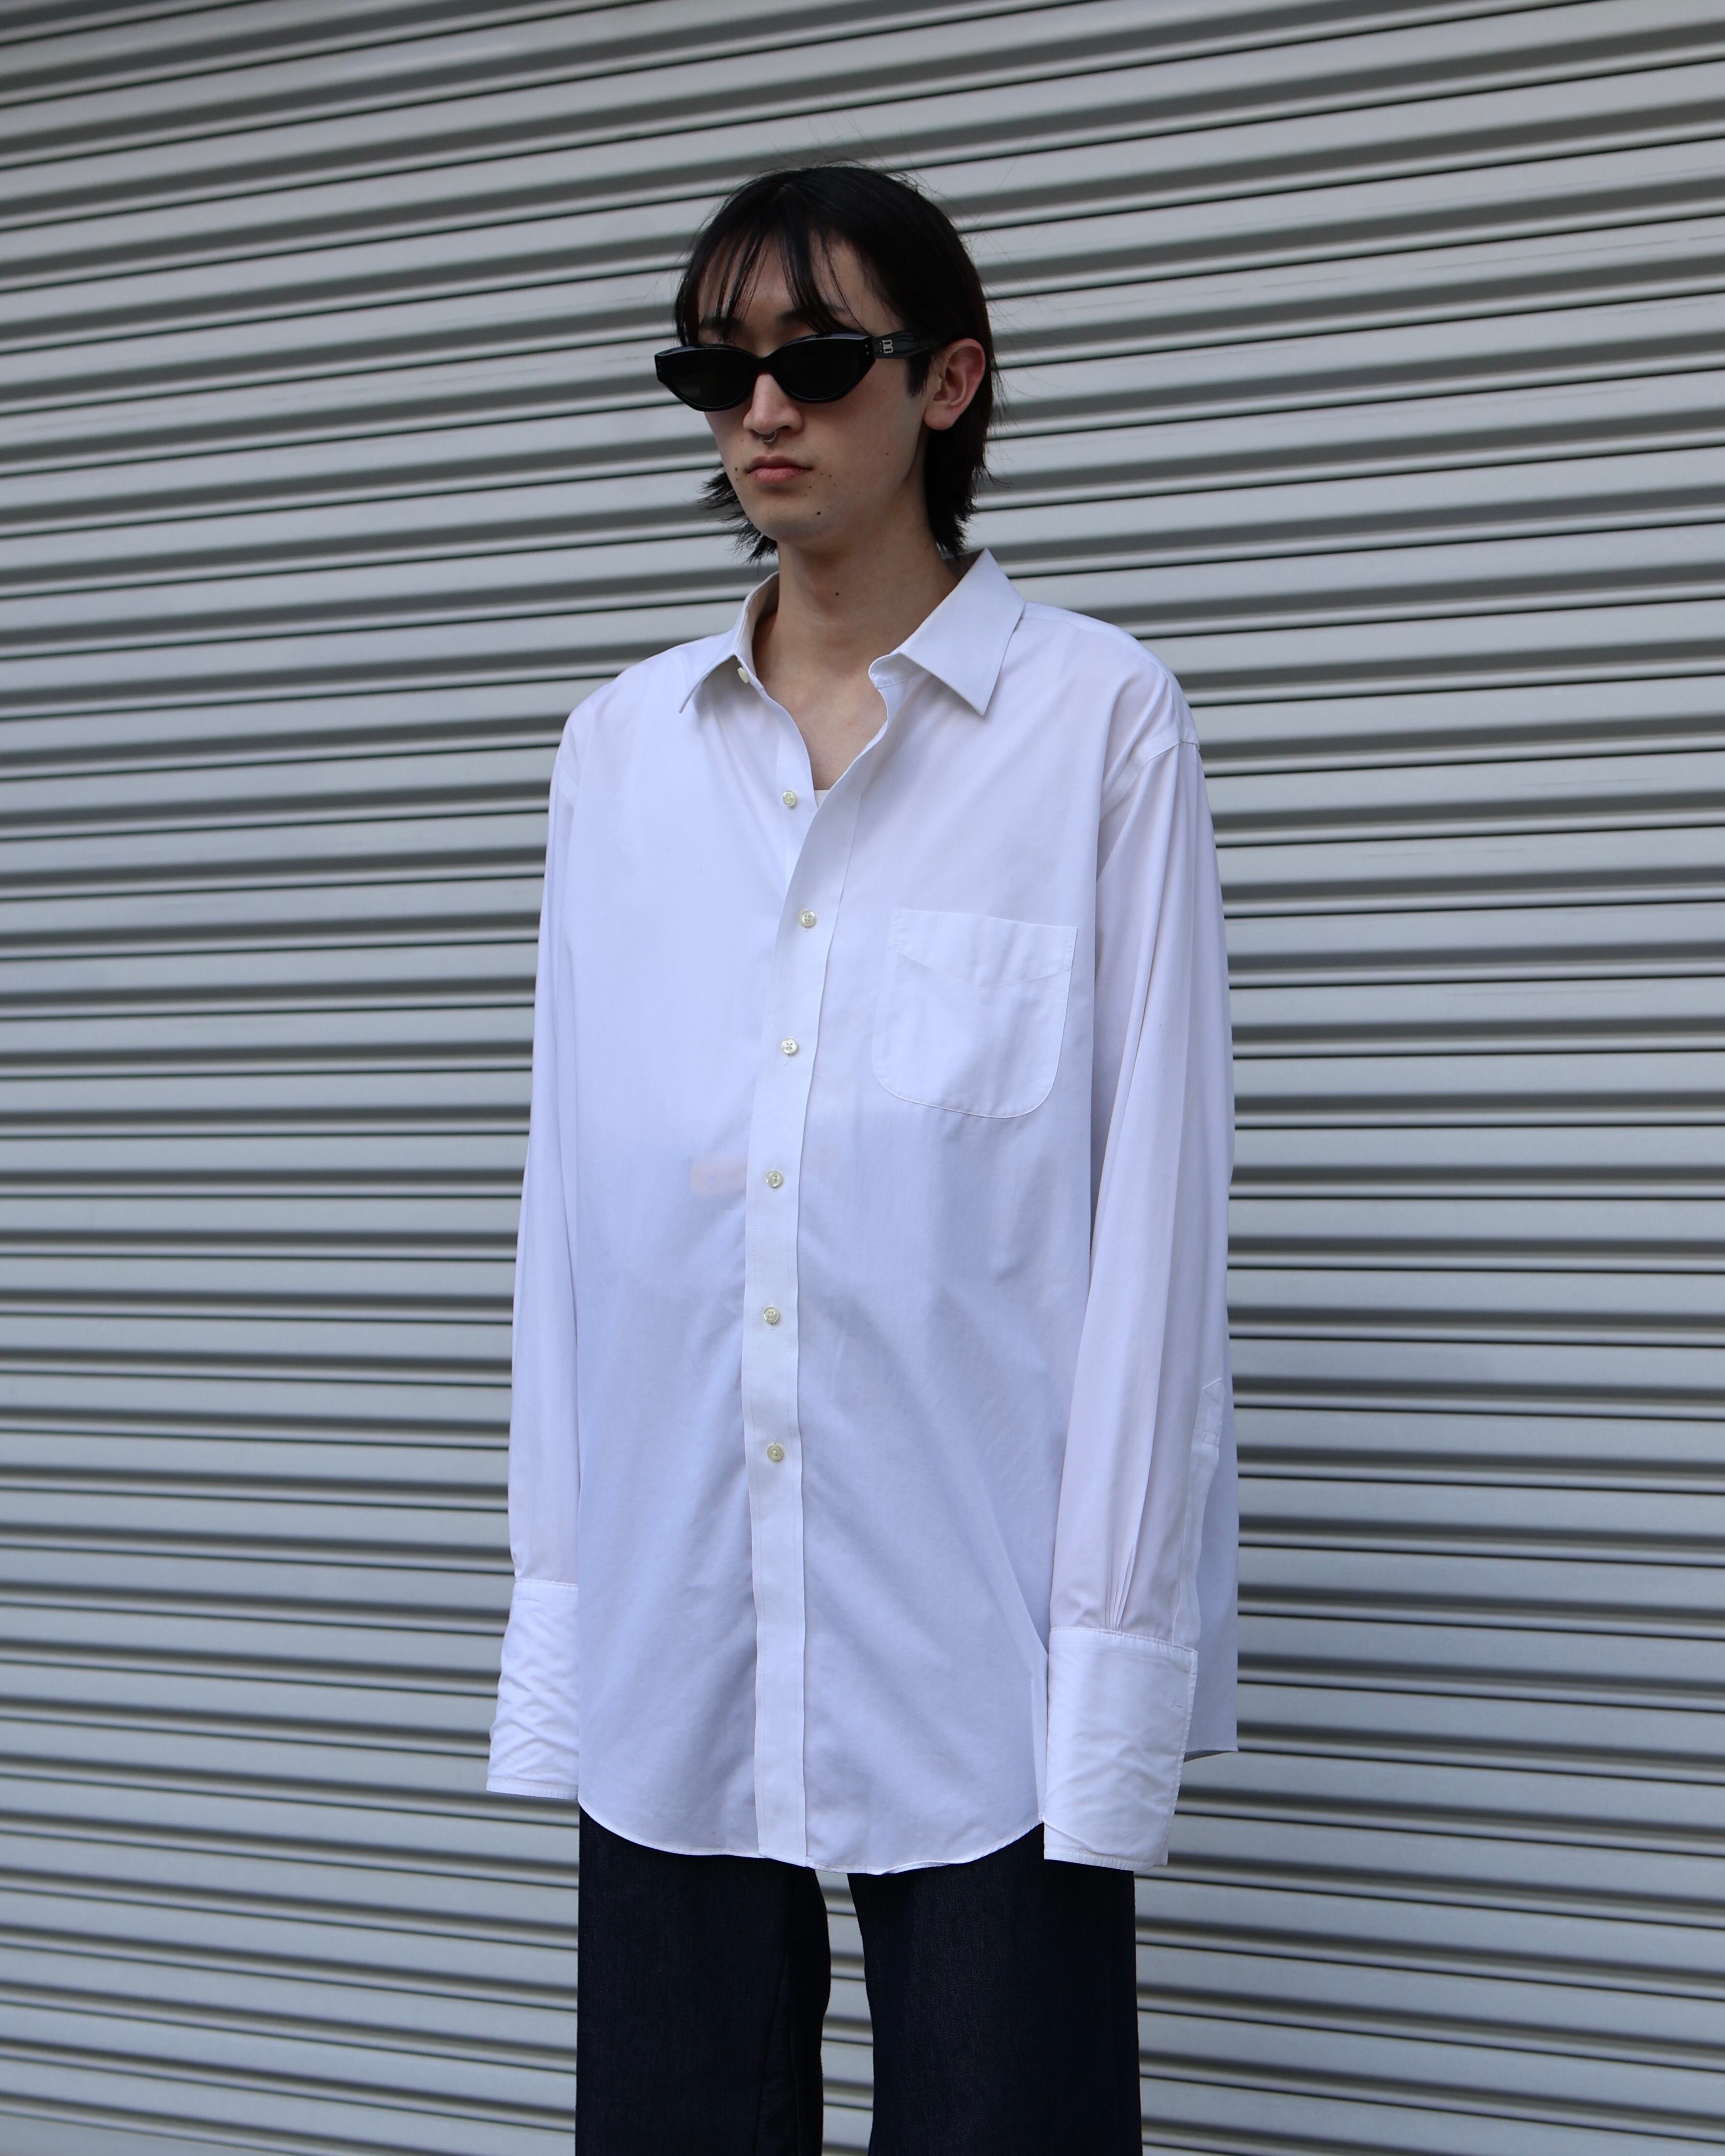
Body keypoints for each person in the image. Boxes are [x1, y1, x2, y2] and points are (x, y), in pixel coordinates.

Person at [486, 163, 1238, 2155]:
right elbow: (573, 1218)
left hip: (981, 1654)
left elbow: (1152, 1237)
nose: (764, 412)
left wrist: (1116, 1673)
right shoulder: (619, 756)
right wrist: (567, 1617)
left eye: (818, 360)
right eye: (716, 370)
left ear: (950, 382)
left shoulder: (1099, 728)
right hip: (680, 1625)